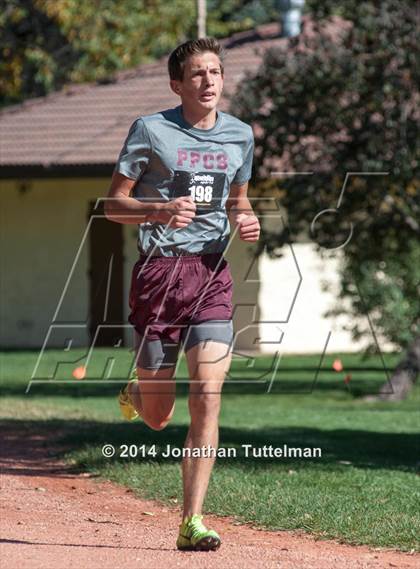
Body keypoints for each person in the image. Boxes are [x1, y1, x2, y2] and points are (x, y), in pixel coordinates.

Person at [105, 37, 260, 551]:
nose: (209, 81)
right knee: (158, 417)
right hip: (159, 276)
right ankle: (139, 388)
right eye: (197, 74)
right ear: (178, 84)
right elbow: (112, 206)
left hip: (211, 274)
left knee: (207, 398)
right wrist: (158, 210)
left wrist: (246, 216)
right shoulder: (150, 130)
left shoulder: (240, 134)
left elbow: (238, 201)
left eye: (215, 72)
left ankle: (191, 522)